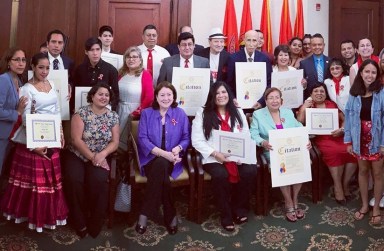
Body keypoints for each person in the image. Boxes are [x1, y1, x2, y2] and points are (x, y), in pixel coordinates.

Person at [1, 52, 68, 232]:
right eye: (41, 67)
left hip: (50, 136)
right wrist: (34, 146)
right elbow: (26, 118)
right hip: (31, 139)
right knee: (34, 183)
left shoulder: (52, 84)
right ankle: (28, 217)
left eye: (47, 68)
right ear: (33, 67)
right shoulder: (26, 89)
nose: (45, 71)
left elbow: (56, 110)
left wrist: (60, 133)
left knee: (50, 182)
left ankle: (48, 216)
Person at [191, 81, 256, 231]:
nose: (221, 95)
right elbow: (197, 140)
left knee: (250, 171)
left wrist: (241, 153)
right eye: (217, 93)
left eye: (224, 92)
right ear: (212, 96)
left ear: (229, 94)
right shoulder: (203, 112)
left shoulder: (238, 111)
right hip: (214, 156)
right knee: (221, 175)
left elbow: (245, 134)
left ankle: (239, 208)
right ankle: (225, 214)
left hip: (237, 155)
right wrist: (215, 154)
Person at [64, 83, 119, 238]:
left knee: (99, 180)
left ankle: (95, 221)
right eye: (100, 94)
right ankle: (78, 221)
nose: (103, 97)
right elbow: (76, 140)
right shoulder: (81, 113)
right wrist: (93, 158)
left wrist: (102, 155)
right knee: (74, 180)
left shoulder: (113, 116)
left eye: (107, 95)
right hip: (77, 155)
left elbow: (115, 142)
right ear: (92, 96)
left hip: (100, 155)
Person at [135, 81, 190, 235]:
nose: (166, 98)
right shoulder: (147, 113)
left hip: (174, 160)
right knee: (161, 165)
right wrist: (165, 154)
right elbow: (142, 139)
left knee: (161, 168)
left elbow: (186, 138)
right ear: (156, 97)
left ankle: (144, 213)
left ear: (174, 97)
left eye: (169, 95)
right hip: (150, 158)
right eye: (162, 95)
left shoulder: (180, 113)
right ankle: (170, 213)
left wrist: (178, 148)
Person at [250, 87, 310, 222]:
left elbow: (298, 127)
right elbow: (253, 134)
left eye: (277, 97)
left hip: (292, 149)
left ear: (281, 100)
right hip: (272, 151)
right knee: (282, 165)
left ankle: (295, 199)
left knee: (300, 162)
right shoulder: (258, 114)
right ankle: (289, 202)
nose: (274, 100)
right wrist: (263, 142)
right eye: (270, 98)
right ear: (265, 101)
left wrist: (306, 140)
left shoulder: (288, 112)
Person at [296, 83, 357, 204]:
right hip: (321, 139)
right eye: (316, 91)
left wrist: (342, 129)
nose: (319, 93)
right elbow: (298, 123)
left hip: (338, 135)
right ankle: (338, 186)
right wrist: (303, 107)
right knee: (335, 152)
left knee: (352, 151)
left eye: (322, 91)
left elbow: (344, 119)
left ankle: (345, 185)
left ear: (326, 94)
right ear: (310, 94)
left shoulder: (331, 104)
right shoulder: (308, 106)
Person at [344, 59, 384, 225]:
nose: (370, 75)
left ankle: (375, 208)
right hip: (359, 138)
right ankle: (365, 205)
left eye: (373, 72)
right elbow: (348, 117)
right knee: (362, 171)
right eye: (367, 71)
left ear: (377, 75)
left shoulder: (381, 92)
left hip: (377, 139)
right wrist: (348, 141)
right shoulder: (354, 93)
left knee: (377, 173)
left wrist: (383, 143)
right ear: (361, 73)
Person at [117, 46, 154, 150]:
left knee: (129, 144)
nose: (131, 59)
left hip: (134, 113)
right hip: (119, 110)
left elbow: (149, 97)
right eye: (128, 56)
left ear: (140, 60)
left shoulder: (145, 74)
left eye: (134, 57)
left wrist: (136, 112)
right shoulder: (121, 73)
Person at [227, 30, 272, 109]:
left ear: (258, 42)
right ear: (244, 40)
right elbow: (228, 82)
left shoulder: (264, 59)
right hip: (238, 103)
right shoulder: (233, 58)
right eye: (248, 40)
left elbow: (269, 82)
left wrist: (261, 101)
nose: (251, 44)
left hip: (259, 103)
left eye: (254, 40)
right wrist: (233, 98)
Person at [0, 48, 28, 176]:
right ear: (8, 62)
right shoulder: (4, 80)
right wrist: (16, 113)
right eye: (17, 60)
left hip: (12, 135)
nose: (21, 63)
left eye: (23, 60)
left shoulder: (19, 81)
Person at [74, 37, 119, 110]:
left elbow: (115, 95)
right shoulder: (79, 70)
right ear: (86, 52)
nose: (95, 53)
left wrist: (110, 111)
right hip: (83, 111)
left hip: (104, 113)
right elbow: (74, 93)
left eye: (98, 49)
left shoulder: (111, 70)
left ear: (101, 51)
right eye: (92, 50)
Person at [299, 33, 330, 100]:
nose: (317, 47)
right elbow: (302, 84)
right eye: (314, 45)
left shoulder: (331, 61)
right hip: (310, 99)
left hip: (329, 99)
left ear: (324, 45)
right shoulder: (304, 63)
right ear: (310, 46)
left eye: (319, 44)